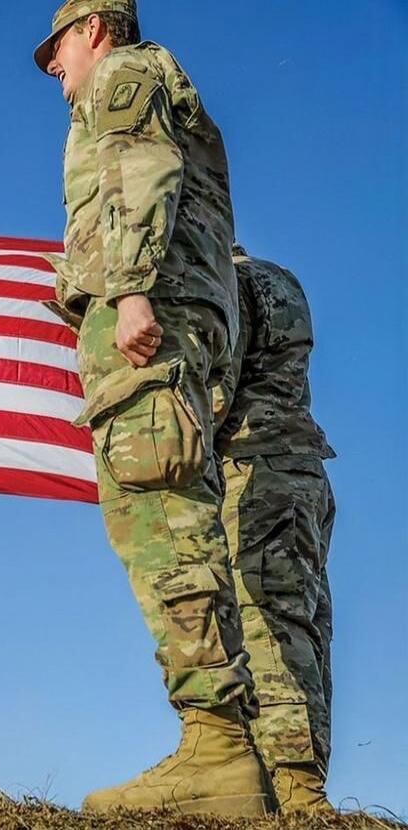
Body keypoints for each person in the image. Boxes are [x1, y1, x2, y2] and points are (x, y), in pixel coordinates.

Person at [34, 1, 270, 815]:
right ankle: (229, 744)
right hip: (188, 316)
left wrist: (128, 290)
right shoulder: (166, 85)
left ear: (93, 28)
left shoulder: (123, 74)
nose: (54, 67)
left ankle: (218, 749)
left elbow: (141, 169)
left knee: (161, 513)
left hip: (150, 315)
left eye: (57, 47)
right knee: (175, 505)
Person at [216, 245, 337, 812]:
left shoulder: (226, 285)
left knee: (262, 618)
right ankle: (301, 779)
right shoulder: (281, 277)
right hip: (302, 470)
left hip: (256, 467)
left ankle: (293, 785)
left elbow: (219, 388)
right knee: (304, 624)